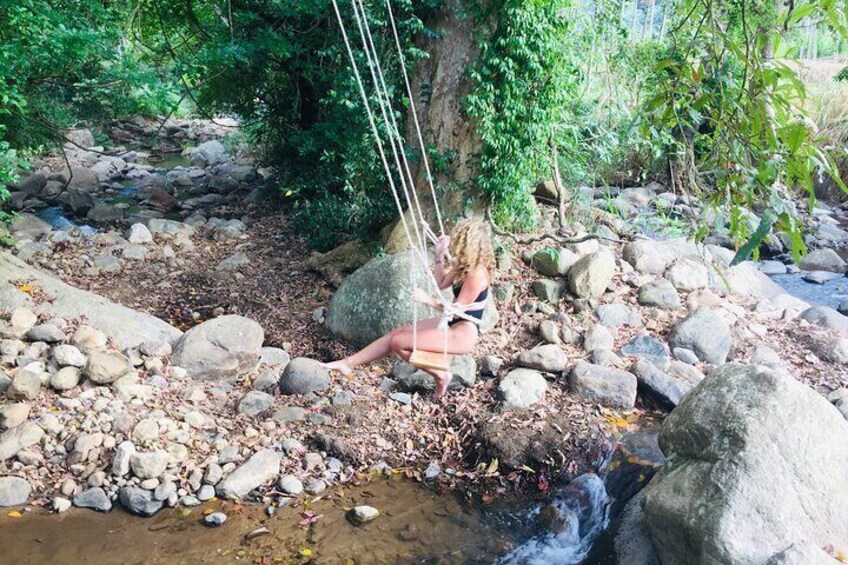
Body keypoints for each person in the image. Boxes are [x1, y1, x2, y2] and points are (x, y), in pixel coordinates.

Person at [322, 219, 494, 399]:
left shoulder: (477, 274)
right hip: (453, 324)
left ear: (469, 244)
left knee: (399, 342)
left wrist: (428, 300)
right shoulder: (465, 266)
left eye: (460, 241)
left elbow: (456, 310)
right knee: (396, 334)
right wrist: (439, 255)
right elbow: (441, 282)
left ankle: (441, 376)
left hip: (462, 333)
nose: (456, 244)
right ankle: (347, 363)